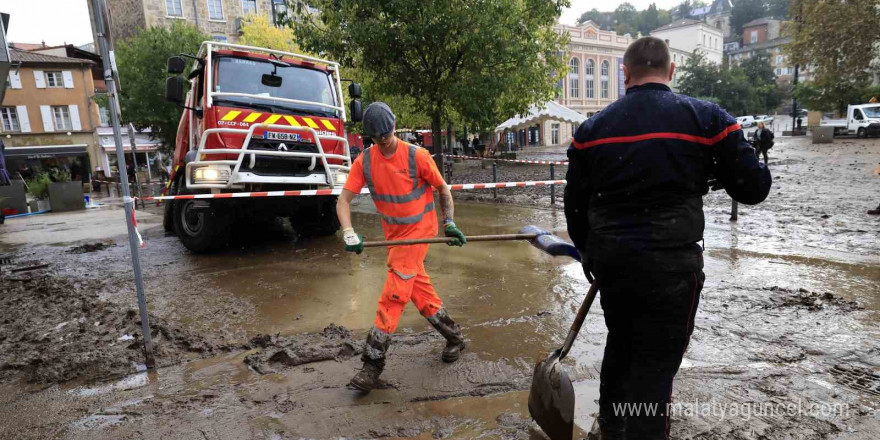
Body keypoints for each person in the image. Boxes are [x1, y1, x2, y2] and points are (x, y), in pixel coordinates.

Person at [565, 37, 771, 439]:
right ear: (671, 71)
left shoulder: (591, 130)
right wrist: (732, 158)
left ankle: (610, 427)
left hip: (614, 264)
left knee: (621, 344)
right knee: (655, 367)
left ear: (625, 74)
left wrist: (592, 255)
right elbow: (753, 188)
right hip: (672, 268)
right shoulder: (708, 119)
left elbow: (575, 207)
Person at [336, 102, 469, 393]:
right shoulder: (365, 162)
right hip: (396, 239)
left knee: (394, 294)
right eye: (378, 137)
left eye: (387, 134)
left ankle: (372, 364)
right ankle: (455, 337)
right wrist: (348, 232)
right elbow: (343, 201)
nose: (384, 141)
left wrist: (449, 223)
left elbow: (442, 188)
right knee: (419, 293)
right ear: (370, 136)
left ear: (394, 127)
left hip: (419, 232)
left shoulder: (416, 156)